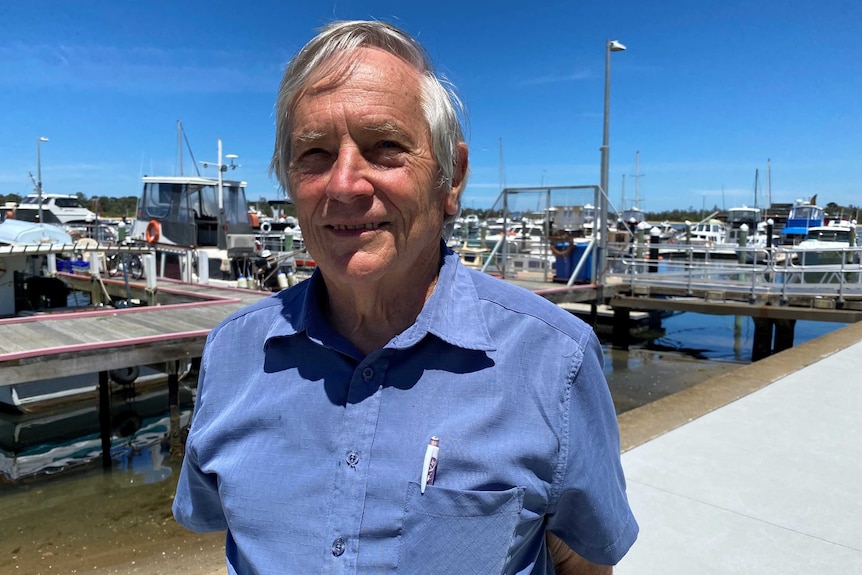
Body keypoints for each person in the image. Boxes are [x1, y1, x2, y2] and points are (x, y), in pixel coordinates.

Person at [172, 20, 638, 574]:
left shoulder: (553, 361)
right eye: (315, 153)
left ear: (452, 178)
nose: (345, 184)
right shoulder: (235, 354)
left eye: (385, 147)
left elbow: (584, 562)